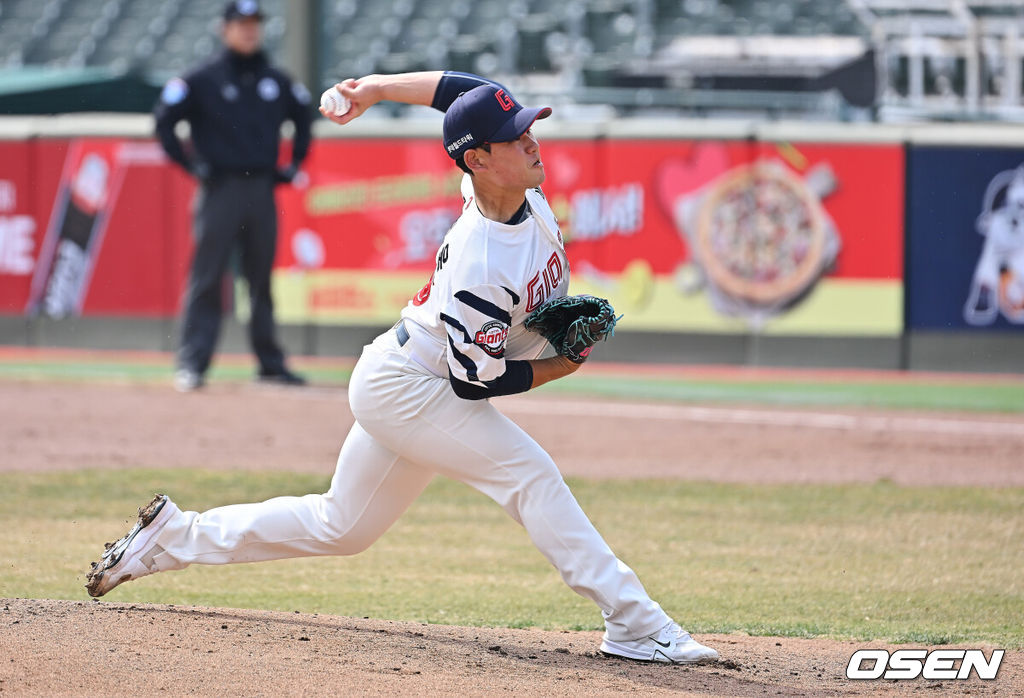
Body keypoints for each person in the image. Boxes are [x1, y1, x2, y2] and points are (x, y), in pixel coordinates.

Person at [87, 70, 719, 665]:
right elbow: (478, 382)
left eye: (529, 126)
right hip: (414, 387)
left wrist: (377, 89)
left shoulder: (506, 181)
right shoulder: (481, 259)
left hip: (412, 372)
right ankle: (636, 624)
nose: (531, 140)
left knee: (343, 526)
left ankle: (173, 536)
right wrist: (562, 364)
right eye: (515, 136)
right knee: (530, 475)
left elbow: (461, 94)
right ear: (477, 161)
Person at [154, 0, 313, 392]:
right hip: (219, 189)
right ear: (224, 29)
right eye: (241, 23)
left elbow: (305, 117)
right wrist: (192, 166)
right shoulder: (202, 78)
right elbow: (163, 121)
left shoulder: (275, 79)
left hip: (261, 188)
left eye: (255, 23)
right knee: (207, 278)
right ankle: (192, 364)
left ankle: (270, 364)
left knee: (261, 280)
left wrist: (292, 165)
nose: (249, 30)